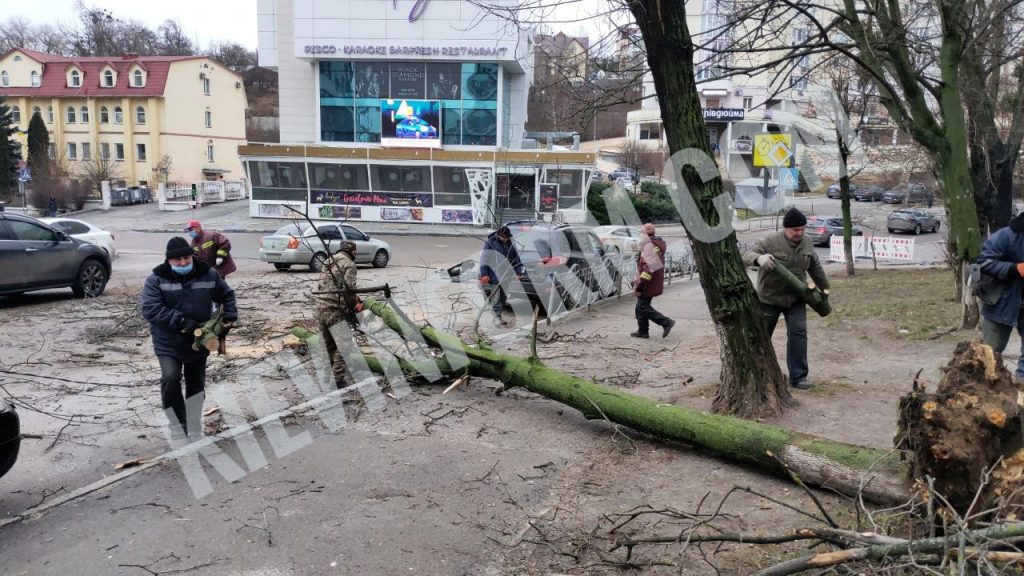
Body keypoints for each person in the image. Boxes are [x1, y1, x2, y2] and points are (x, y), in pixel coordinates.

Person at [141, 237, 237, 440]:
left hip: (198, 341)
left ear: (191, 256)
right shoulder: (156, 279)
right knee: (170, 378)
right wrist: (182, 322)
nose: (183, 263)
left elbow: (226, 295)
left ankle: (193, 426)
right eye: (178, 260)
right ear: (169, 261)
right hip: (167, 341)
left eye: (186, 258)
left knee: (196, 384)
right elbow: (151, 309)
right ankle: (177, 425)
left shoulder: (208, 274)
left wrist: (230, 315)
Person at [743, 207, 829, 390]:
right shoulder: (770, 241)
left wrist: (825, 288)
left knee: (799, 334)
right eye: (796, 230)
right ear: (786, 228)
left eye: (803, 229)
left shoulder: (806, 242)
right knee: (761, 336)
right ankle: (753, 371)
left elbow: (814, 266)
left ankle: (798, 377)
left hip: (796, 298)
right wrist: (759, 259)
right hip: (770, 298)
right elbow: (746, 254)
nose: (800, 233)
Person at [977, 211, 1024, 380]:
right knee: (989, 353)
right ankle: (984, 391)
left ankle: (1021, 391)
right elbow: (983, 262)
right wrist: (1014, 269)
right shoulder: (1006, 236)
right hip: (1002, 303)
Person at [314, 241, 363, 387]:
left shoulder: (329, 261)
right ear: (353, 251)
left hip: (320, 307)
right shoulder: (349, 264)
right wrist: (355, 305)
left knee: (328, 345)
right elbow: (349, 290)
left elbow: (324, 285)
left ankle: (326, 376)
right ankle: (338, 379)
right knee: (344, 345)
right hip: (334, 309)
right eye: (355, 251)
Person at [631, 223, 676, 339]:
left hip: (648, 283)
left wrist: (640, 285)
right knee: (640, 307)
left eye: (641, 233)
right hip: (651, 282)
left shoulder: (649, 246)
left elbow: (649, 267)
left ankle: (666, 322)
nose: (640, 235)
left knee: (642, 307)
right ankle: (643, 331)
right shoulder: (652, 244)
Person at [479, 225, 525, 326]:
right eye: (503, 237)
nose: (505, 239)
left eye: (507, 237)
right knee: (496, 298)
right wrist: (484, 274)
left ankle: (498, 316)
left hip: (506, 275)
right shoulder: (490, 243)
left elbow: (516, 260)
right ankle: (497, 319)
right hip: (493, 274)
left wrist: (518, 272)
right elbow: (484, 259)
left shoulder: (511, 243)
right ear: (498, 235)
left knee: (503, 298)